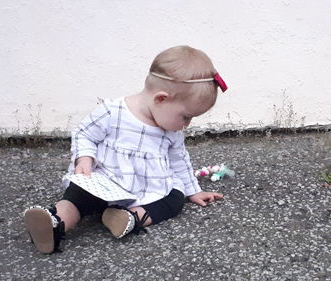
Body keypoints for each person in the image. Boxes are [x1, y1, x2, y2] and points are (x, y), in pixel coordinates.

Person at [24, 45, 227, 254]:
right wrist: (84, 158)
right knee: (77, 195)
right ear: (161, 99)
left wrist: (194, 190)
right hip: (106, 181)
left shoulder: (171, 131)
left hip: (150, 186)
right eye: (186, 116)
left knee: (175, 198)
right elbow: (84, 134)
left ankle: (129, 218)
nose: (187, 124)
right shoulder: (112, 112)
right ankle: (56, 221)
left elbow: (179, 160)